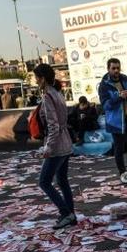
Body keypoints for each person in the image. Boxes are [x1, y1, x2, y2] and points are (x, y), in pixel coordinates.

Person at [34, 63, 77, 230]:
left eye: (37, 77)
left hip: (57, 145)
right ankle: (71, 214)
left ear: (43, 78)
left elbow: (53, 125)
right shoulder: (58, 93)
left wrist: (48, 148)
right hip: (66, 142)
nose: (36, 81)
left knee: (44, 182)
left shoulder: (47, 97)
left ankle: (65, 213)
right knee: (62, 180)